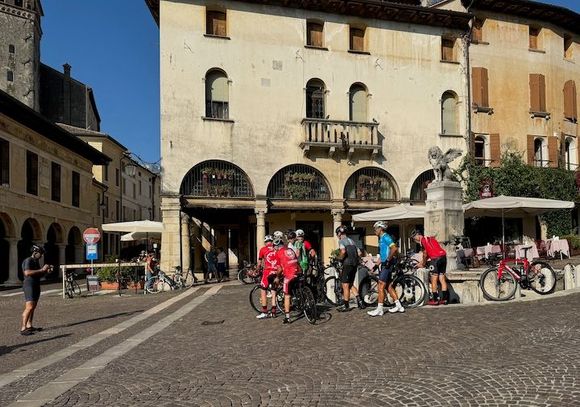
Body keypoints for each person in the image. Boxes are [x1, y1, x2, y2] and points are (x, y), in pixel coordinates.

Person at [367, 221, 404, 316]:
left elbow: (394, 248)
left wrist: (388, 259)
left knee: (380, 285)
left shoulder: (386, 237)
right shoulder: (381, 239)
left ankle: (380, 309)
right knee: (388, 286)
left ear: (380, 229)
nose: (375, 231)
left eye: (375, 229)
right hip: (385, 263)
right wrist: (375, 266)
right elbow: (382, 255)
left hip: (388, 264)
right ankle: (399, 305)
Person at [411, 229, 448, 305]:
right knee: (442, 277)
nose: (415, 241)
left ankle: (435, 299)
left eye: (415, 239)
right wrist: (422, 262)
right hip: (443, 256)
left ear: (418, 235)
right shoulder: (430, 238)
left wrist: (423, 264)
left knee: (433, 278)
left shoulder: (423, 241)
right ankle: (445, 299)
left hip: (435, 259)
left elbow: (425, 254)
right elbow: (430, 251)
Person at [20, 245, 51, 336]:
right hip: (29, 285)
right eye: (40, 253)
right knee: (29, 307)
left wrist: (46, 272)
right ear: (35, 252)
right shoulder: (28, 260)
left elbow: (38, 274)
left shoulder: (35, 261)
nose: (41, 256)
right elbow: (27, 272)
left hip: (35, 285)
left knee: (33, 307)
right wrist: (42, 269)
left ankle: (29, 325)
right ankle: (23, 327)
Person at [335, 226, 364, 312]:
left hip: (347, 264)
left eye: (337, 234)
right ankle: (360, 301)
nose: (337, 236)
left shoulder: (341, 241)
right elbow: (359, 253)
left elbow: (343, 251)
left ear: (339, 234)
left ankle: (346, 305)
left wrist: (339, 258)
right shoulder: (352, 241)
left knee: (345, 285)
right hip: (355, 264)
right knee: (350, 284)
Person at [274, 236, 300, 324]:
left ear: (276, 247)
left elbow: (280, 269)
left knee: (287, 295)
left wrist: (277, 277)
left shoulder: (278, 253)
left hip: (289, 275)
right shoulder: (290, 250)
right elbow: (296, 260)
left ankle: (287, 317)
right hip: (298, 272)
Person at [256, 235, 279, 319]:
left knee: (263, 290)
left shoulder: (262, 249)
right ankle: (274, 312)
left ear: (265, 242)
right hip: (276, 272)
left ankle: (265, 312)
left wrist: (257, 270)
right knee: (273, 291)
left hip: (267, 272)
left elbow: (259, 262)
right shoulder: (276, 249)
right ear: (272, 241)